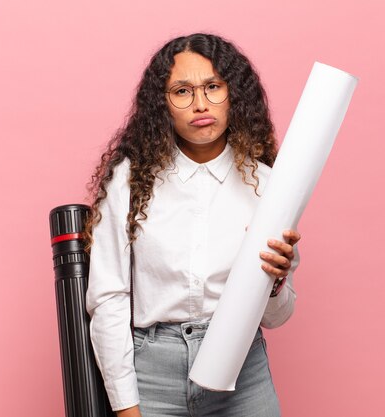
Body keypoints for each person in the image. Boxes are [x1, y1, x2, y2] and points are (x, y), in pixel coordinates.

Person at [85, 33, 301, 417]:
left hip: (242, 372)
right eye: (182, 91)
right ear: (162, 104)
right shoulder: (130, 181)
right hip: (152, 374)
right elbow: (109, 299)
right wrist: (125, 405)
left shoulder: (268, 185)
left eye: (213, 87)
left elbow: (277, 318)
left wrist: (276, 283)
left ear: (233, 94)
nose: (200, 103)